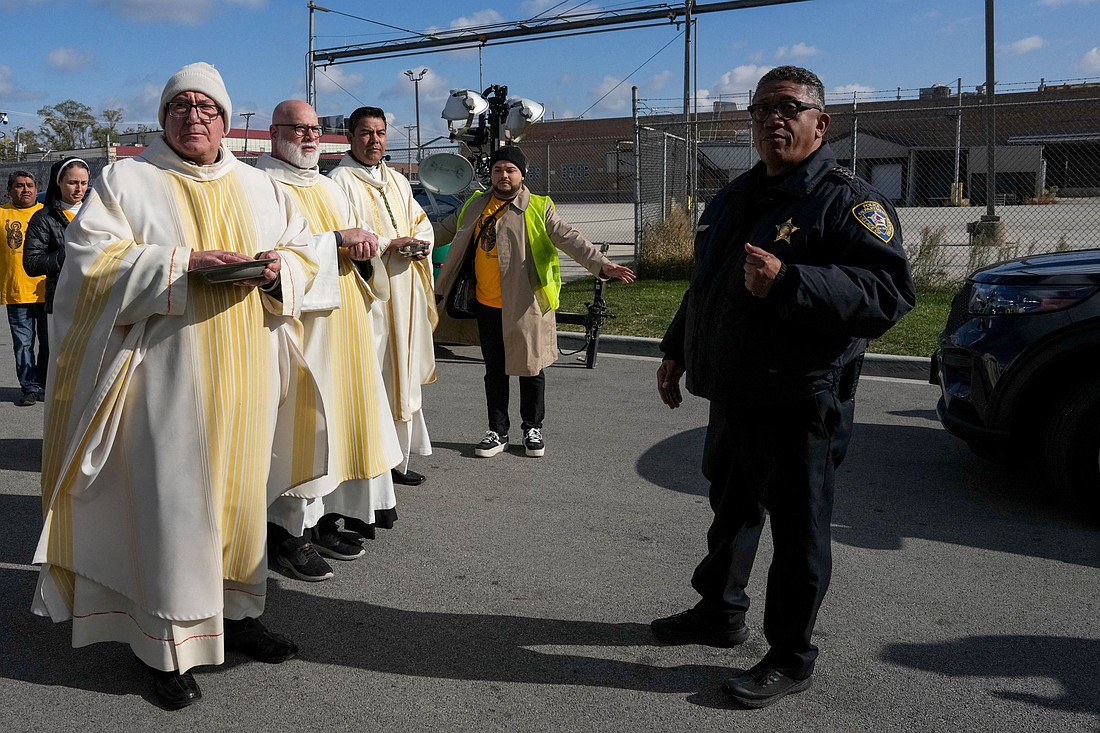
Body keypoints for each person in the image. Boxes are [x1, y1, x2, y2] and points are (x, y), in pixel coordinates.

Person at [30, 62, 325, 711]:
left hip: (247, 384)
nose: (194, 116)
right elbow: (90, 263)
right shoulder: (130, 180)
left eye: (207, 107)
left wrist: (278, 270)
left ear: (225, 118)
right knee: (175, 515)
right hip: (165, 383)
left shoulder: (260, 186)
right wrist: (182, 262)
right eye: (180, 106)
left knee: (241, 511)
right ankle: (164, 650)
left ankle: (240, 617)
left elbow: (307, 253)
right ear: (163, 116)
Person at [650, 66, 916, 709]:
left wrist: (791, 281)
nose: (774, 118)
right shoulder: (736, 196)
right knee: (732, 508)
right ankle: (719, 612)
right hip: (736, 390)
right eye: (763, 108)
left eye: (789, 108)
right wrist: (674, 350)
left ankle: (791, 655)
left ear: (819, 123)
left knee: (798, 532)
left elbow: (889, 294)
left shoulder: (846, 201)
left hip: (802, 396)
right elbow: (706, 286)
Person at [257, 99, 403, 582]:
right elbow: (271, 255)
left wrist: (363, 250)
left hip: (346, 322)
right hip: (298, 327)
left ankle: (319, 523)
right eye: (298, 129)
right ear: (274, 133)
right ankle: (287, 537)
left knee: (340, 428)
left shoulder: (325, 184)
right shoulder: (261, 185)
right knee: (303, 430)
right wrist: (338, 242)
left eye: (315, 129)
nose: (309, 137)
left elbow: (359, 244)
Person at [434, 146, 635, 458]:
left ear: (522, 175)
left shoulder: (539, 207)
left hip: (527, 305)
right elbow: (442, 231)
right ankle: (497, 431)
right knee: (495, 370)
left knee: (531, 368)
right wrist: (409, 240)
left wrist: (602, 265)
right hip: (486, 304)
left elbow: (571, 238)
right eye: (499, 169)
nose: (504, 175)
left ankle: (532, 428)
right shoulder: (475, 205)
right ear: (492, 174)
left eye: (510, 170)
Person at [329, 106, 437, 486]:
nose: (374, 141)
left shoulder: (397, 180)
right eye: (365, 133)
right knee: (374, 373)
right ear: (349, 136)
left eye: (380, 133)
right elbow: (345, 234)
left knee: (401, 372)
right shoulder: (339, 181)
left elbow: (420, 221)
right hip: (369, 294)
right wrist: (393, 243)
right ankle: (371, 464)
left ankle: (397, 460)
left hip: (404, 288)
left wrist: (421, 244)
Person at [0, 170, 46, 406]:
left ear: (36, 189)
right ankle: (28, 387)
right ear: (10, 190)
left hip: (46, 290)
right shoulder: (1, 214)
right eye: (19, 186)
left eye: (29, 185)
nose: (25, 189)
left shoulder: (47, 213)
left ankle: (44, 383)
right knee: (23, 343)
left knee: (48, 343)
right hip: (16, 292)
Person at [25, 157, 90, 314]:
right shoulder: (43, 218)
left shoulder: (97, 213)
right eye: (72, 182)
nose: (79, 189)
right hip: (63, 302)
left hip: (96, 298)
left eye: (84, 183)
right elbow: (31, 263)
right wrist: (70, 252)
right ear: (59, 182)